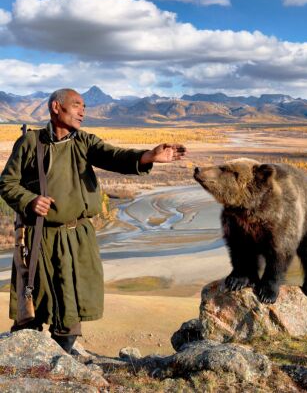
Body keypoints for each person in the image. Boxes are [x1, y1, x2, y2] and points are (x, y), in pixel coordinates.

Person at [0, 88, 186, 353]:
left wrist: (148, 157)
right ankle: (26, 364)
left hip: (77, 238)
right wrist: (29, 200)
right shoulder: (31, 143)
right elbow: (7, 182)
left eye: (84, 107)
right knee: (33, 307)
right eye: (76, 105)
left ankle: (62, 360)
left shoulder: (85, 142)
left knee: (70, 305)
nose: (82, 112)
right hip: (39, 236)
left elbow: (115, 156)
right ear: (56, 107)